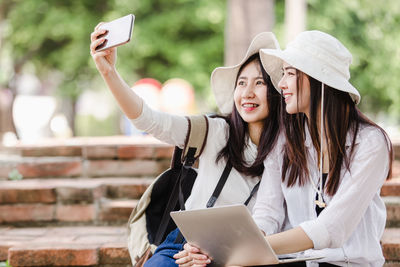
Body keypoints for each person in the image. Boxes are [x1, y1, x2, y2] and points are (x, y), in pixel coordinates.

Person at [90, 28, 283, 267]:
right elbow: (148, 120)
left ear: (278, 92)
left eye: (259, 83)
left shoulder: (291, 152)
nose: (247, 93)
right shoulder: (214, 131)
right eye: (241, 82)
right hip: (185, 245)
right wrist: (109, 72)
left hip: (244, 253)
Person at [249, 30, 392, 266]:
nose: (282, 84)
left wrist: (250, 246)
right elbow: (267, 212)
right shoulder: (285, 141)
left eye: (290, 74)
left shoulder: (370, 143)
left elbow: (331, 228)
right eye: (283, 74)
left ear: (318, 80)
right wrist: (239, 244)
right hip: (298, 262)